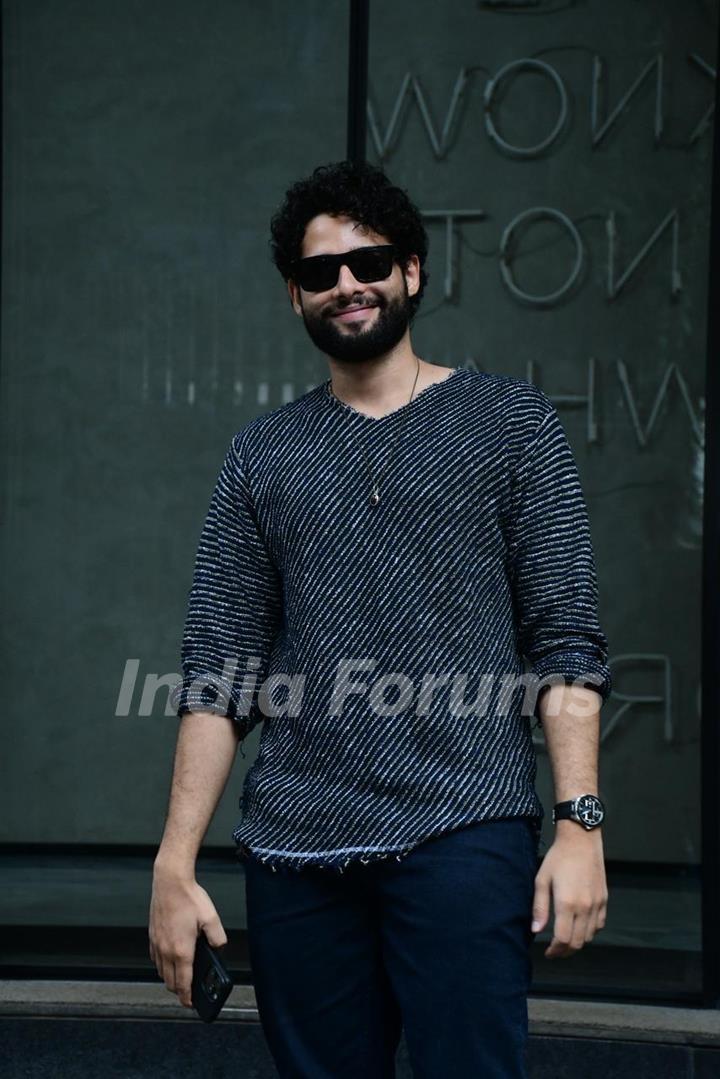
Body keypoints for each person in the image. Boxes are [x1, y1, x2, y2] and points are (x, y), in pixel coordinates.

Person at [149, 159, 612, 1078]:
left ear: (413, 270)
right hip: (297, 852)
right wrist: (173, 862)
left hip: (463, 829)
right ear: (295, 296)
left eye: (369, 262)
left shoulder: (508, 420)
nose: (347, 285)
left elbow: (565, 641)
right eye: (320, 273)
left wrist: (580, 825)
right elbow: (218, 670)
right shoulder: (263, 452)